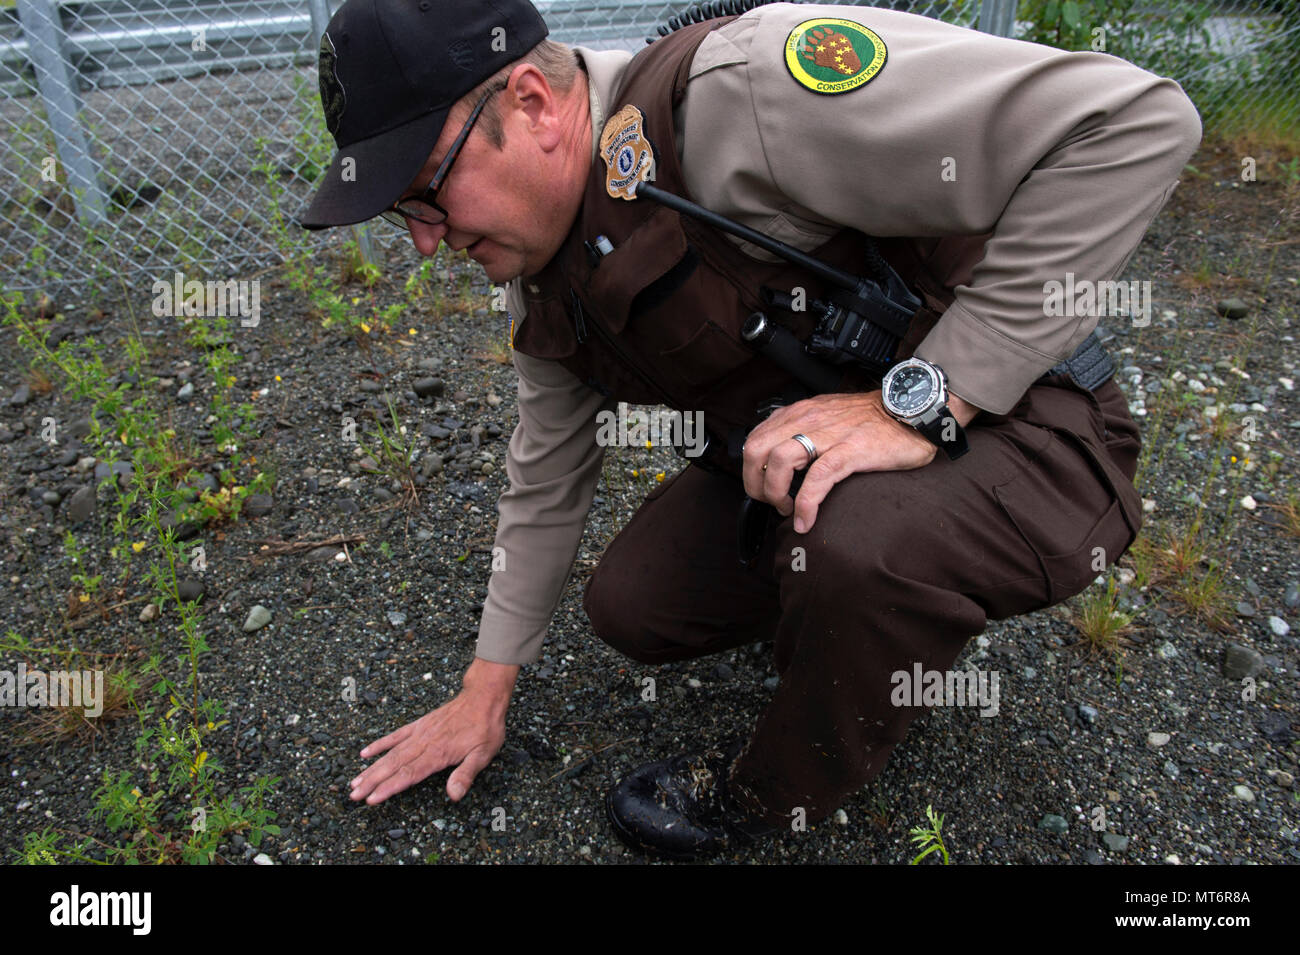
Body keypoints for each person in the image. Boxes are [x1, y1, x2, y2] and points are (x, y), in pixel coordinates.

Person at [301, 0, 1201, 860]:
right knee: (632, 603)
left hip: (1033, 429)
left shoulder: (751, 91)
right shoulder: (544, 270)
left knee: (857, 549)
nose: (423, 241)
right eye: (401, 213)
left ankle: (776, 789)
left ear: (530, 104)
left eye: (425, 189)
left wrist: (927, 399)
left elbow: (1137, 123)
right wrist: (482, 692)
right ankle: (875, 610)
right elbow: (544, 475)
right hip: (841, 449)